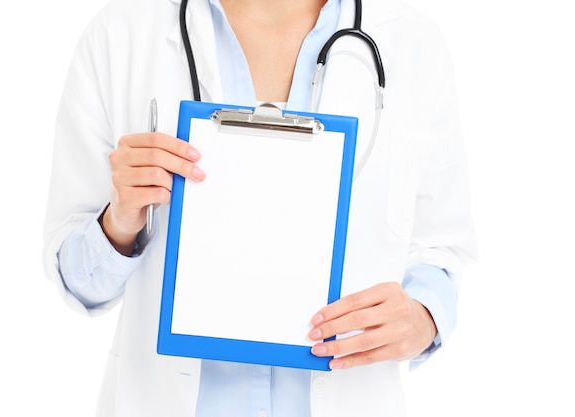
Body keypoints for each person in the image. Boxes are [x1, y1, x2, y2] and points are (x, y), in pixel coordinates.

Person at [43, 0, 477, 415]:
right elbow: (77, 281)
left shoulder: (414, 42)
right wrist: (119, 221)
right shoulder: (121, 34)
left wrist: (423, 319)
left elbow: (440, 250)